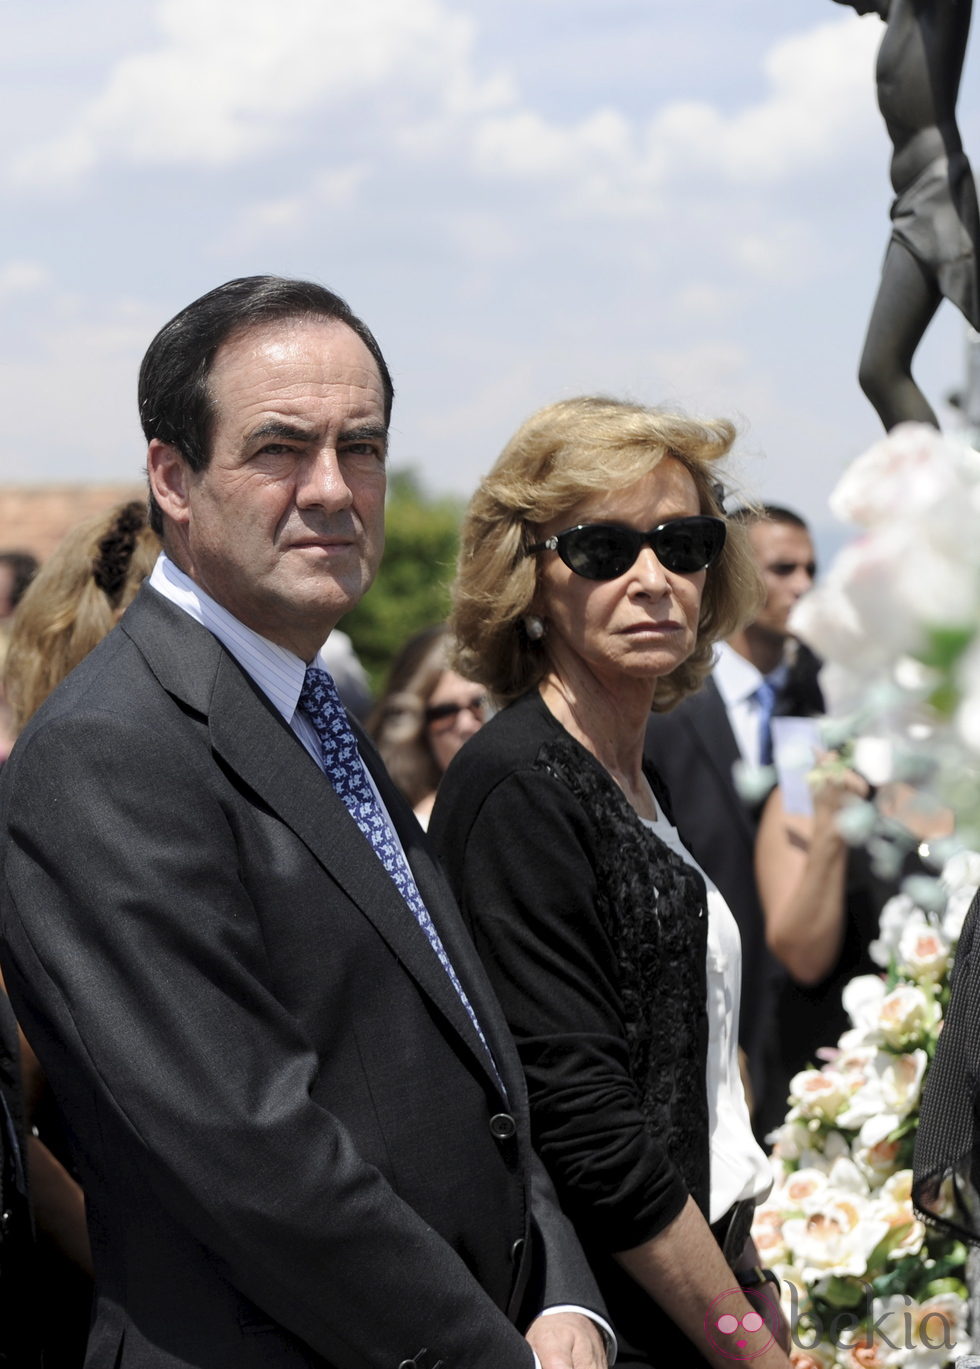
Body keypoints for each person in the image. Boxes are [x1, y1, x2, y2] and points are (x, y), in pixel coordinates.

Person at [0, 277, 609, 1369]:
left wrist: (566, 1293)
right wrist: (492, 1355)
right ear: (172, 479)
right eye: (280, 448)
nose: (332, 488)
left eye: (361, 447)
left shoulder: (308, 708)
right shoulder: (109, 754)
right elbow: (247, 1151)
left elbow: (471, 1048)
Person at [430, 396, 793, 1368]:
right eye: (600, 548)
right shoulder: (520, 785)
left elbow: (690, 1069)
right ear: (530, 577)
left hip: (695, 1292)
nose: (651, 579)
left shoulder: (629, 771)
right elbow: (590, 1131)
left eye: (681, 543)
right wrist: (744, 1347)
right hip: (610, 1325)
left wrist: (747, 1275)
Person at [643, 505, 819, 1114]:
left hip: (805, 1018)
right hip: (704, 1014)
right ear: (738, 574)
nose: (804, 586)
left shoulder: (820, 701)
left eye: (812, 569)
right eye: (783, 568)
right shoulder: (665, 701)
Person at [832, 0, 980, 429]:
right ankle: (929, 491)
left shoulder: (926, 10)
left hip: (941, 200)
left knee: (882, 369)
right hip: (912, 207)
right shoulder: (900, 20)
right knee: (879, 370)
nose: (858, 11)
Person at [367, 624, 487, 826]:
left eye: (479, 703)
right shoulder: (416, 827)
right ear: (417, 730)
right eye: (444, 713)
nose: (466, 725)